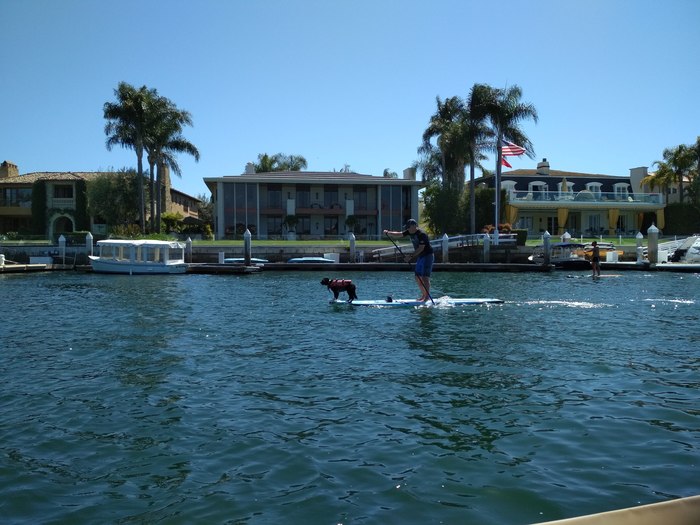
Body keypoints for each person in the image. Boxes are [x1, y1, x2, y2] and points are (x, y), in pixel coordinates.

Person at [383, 219, 434, 302]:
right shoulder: (410, 232)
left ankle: (427, 297)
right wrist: (388, 232)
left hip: (428, 256)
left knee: (425, 277)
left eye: (408, 227)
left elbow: (421, 248)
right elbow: (399, 234)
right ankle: (424, 295)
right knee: (417, 277)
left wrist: (410, 256)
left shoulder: (422, 234)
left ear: (414, 226)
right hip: (420, 257)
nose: (407, 229)